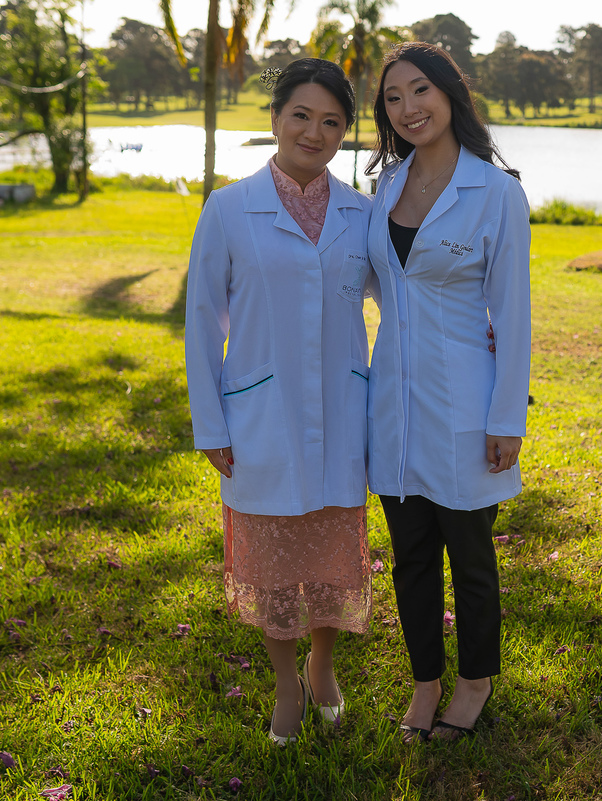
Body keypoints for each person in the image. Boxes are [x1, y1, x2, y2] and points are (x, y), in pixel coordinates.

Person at [184, 59, 374, 746]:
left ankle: (324, 667)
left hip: (344, 415)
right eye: (301, 115)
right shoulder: (229, 209)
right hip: (258, 416)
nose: (314, 132)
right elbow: (203, 320)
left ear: (345, 133)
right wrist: (210, 421)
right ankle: (287, 683)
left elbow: (410, 301)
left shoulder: (363, 214)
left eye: (331, 122)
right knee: (270, 566)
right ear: (274, 119)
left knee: (328, 559)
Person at [364, 42, 531, 743]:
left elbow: (513, 314)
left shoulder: (495, 193)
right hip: (392, 407)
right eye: (393, 98)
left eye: (420, 90)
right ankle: (426, 681)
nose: (408, 108)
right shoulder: (385, 186)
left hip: (467, 402)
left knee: (470, 556)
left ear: (450, 94)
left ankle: (475, 681)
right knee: (409, 557)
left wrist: (506, 416)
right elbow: (374, 281)